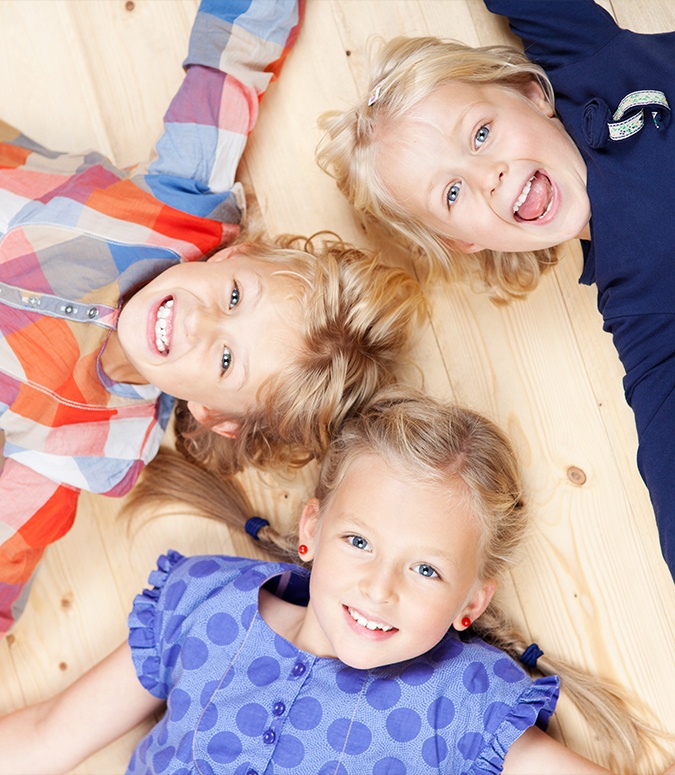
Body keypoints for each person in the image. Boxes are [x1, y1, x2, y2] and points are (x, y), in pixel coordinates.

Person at [0, 0, 426, 638]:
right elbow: (229, 60)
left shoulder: (92, 440)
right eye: (232, 297)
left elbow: (11, 538)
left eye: (227, 361)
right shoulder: (181, 209)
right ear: (236, 253)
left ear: (213, 415)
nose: (200, 324)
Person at [0, 392, 668, 775]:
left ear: (470, 602)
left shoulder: (460, 703)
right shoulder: (204, 605)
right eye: (358, 542)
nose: (380, 588)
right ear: (312, 530)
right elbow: (44, 736)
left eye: (425, 568)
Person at [316, 0, 675, 581]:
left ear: (531, 92)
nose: (489, 176)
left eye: (481, 133)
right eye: (451, 195)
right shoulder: (641, 304)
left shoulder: (589, 62)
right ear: (463, 241)